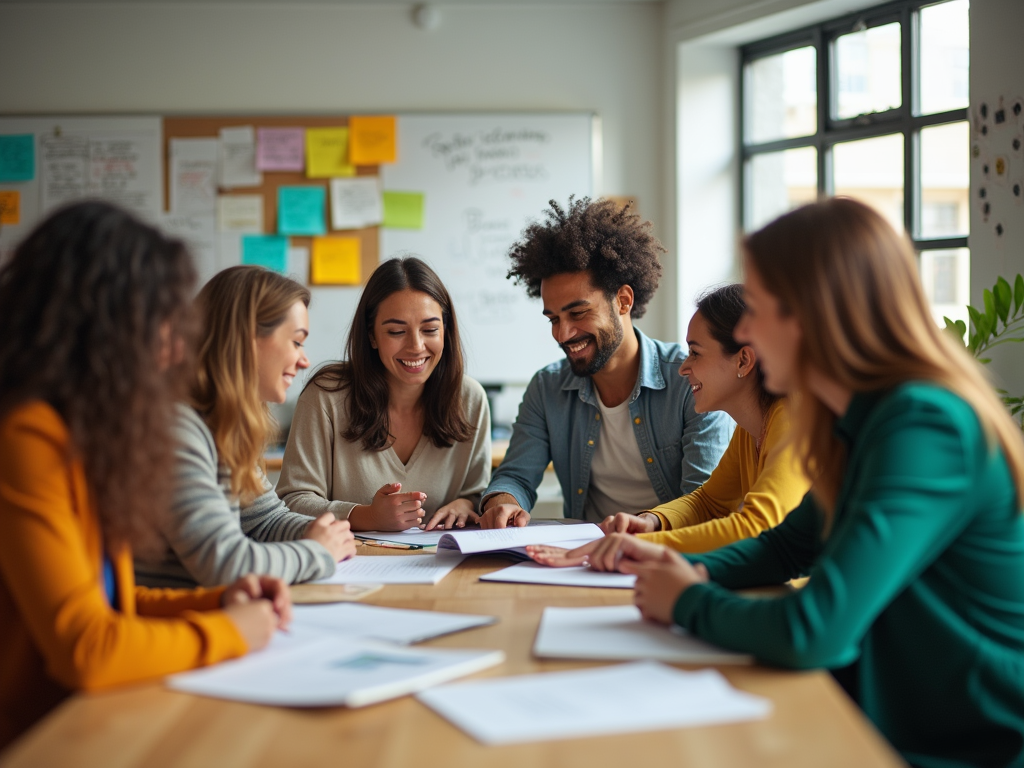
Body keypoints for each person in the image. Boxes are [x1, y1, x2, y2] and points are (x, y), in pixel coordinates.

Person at [579, 198, 1024, 768]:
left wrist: (689, 600)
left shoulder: (924, 424)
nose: (745, 330)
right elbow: (789, 544)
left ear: (817, 315)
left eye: (758, 308)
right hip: (886, 715)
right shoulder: (854, 418)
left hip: (964, 743)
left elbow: (815, 629)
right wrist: (691, 571)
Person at [0, 202, 290, 749]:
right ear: (104, 325)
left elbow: (112, 602)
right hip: (38, 739)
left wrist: (216, 601)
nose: (177, 347)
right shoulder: (28, 436)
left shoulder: (88, 433)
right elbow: (87, 649)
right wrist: (229, 632)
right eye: (162, 320)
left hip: (91, 719)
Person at [479, 197, 733, 529]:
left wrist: (648, 527)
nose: (563, 334)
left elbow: (706, 503)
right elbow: (515, 475)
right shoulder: (547, 387)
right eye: (553, 318)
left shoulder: (691, 381)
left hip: (667, 554)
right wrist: (504, 503)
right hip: (583, 559)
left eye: (578, 313)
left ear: (624, 301)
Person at [528, 284, 810, 567]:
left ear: (744, 360)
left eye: (695, 353)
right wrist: (651, 521)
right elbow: (708, 503)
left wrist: (635, 545)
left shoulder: (794, 419)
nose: (684, 367)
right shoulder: (751, 429)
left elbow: (756, 527)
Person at [135, 266, 355, 588]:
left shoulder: (224, 426)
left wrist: (320, 531)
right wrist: (317, 552)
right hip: (170, 623)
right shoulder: (177, 431)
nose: (304, 360)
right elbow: (225, 562)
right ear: (247, 340)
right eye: (296, 342)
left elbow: (264, 521)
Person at [277, 257, 491, 532]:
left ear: (446, 333)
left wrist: (466, 504)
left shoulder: (470, 399)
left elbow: (480, 493)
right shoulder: (326, 397)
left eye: (430, 330)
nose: (416, 346)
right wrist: (365, 516)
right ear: (372, 336)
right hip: (348, 566)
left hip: (441, 567)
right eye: (396, 331)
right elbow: (292, 500)